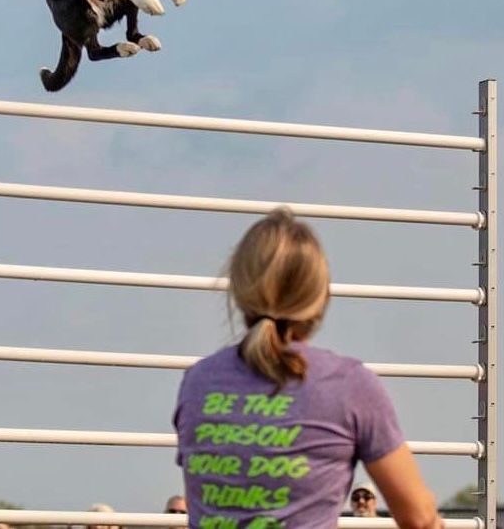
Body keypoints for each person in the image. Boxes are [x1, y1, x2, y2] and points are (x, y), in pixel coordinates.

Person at [173, 209, 443, 529]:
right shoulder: (349, 386)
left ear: (238, 288)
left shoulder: (199, 383)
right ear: (320, 295)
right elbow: (420, 518)